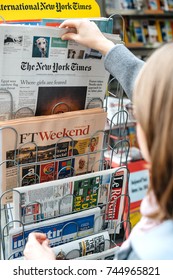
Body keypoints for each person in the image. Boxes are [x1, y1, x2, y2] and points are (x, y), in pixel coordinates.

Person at [24, 20, 173, 260]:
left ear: (155, 133)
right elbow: (161, 93)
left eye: (140, 112)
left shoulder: (152, 255)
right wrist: (104, 45)